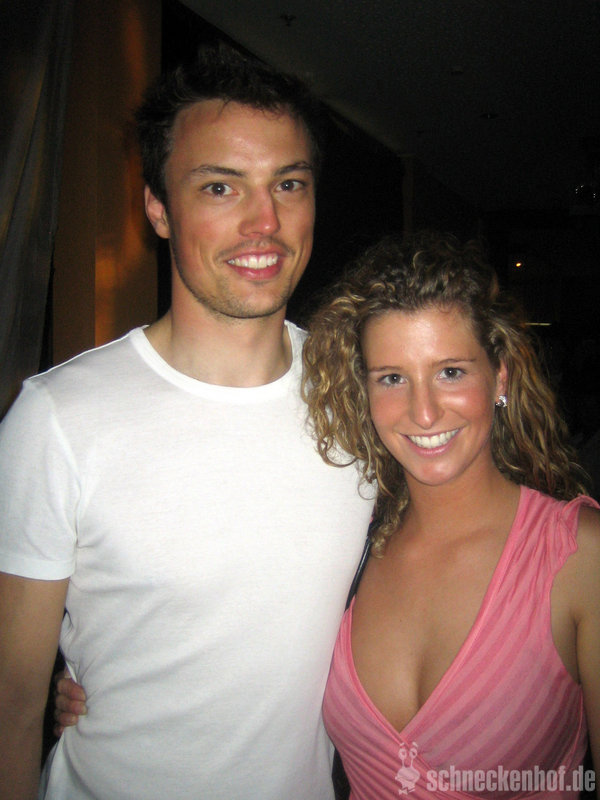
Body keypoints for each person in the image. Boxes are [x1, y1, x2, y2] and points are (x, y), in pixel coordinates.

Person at [0, 43, 374, 800]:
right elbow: (11, 702)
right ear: (158, 209)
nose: (265, 222)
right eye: (220, 187)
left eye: (288, 184)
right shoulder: (58, 418)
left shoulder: (363, 395)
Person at [301, 233, 600, 799]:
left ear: (500, 377)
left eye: (451, 372)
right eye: (392, 378)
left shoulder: (580, 557)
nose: (423, 412)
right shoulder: (352, 546)